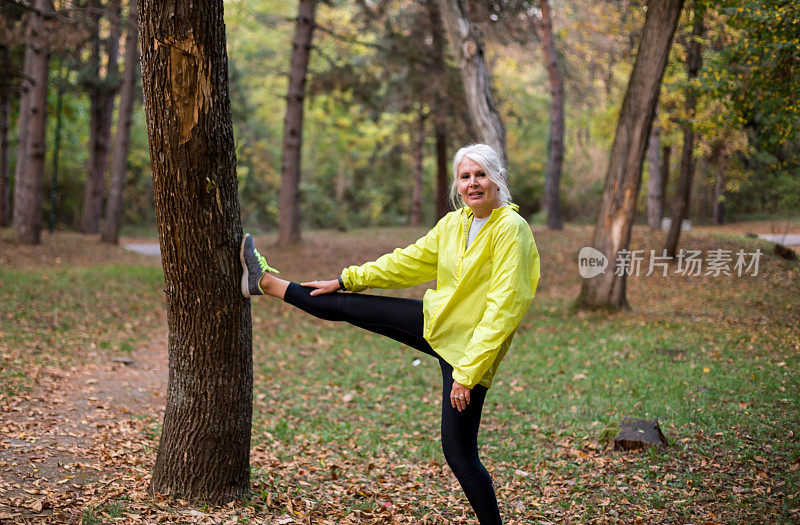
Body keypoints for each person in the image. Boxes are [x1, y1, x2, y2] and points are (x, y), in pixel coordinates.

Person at [240, 143, 540, 524]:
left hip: (468, 352)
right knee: (348, 304)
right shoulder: (454, 223)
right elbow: (407, 262)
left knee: (460, 454)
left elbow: (504, 309)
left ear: (497, 179)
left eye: (480, 175)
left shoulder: (512, 231)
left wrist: (466, 375)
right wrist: (346, 278)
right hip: (436, 323)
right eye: (465, 176)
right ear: (457, 184)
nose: (473, 184)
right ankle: (264, 281)